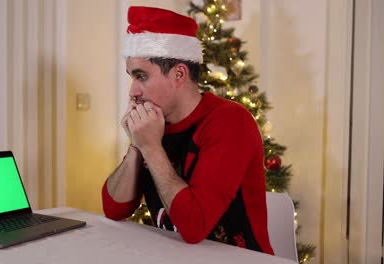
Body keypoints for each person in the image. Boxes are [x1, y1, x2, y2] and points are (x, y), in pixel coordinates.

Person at [101, 6, 274, 255]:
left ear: (179, 74)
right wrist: (137, 146)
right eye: (131, 77)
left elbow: (193, 228)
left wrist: (151, 146)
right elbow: (114, 209)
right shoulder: (155, 122)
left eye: (141, 76)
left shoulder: (230, 121)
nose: (133, 91)